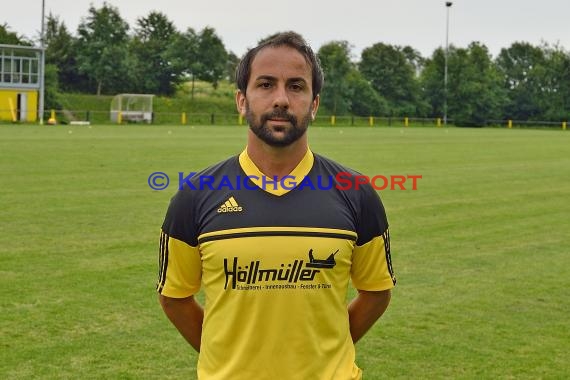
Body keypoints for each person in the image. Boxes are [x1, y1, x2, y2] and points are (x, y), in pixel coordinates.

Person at [157, 31, 396, 380]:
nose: (281, 99)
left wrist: (328, 352)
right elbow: (174, 298)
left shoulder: (355, 192)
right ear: (242, 100)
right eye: (266, 84)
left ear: (314, 104)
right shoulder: (195, 196)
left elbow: (376, 293)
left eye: (296, 87)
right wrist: (226, 358)